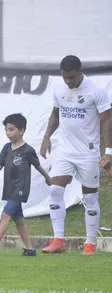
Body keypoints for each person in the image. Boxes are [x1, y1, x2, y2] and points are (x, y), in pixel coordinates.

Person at [40, 55, 112, 255]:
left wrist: (108, 153)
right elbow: (55, 113)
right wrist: (46, 137)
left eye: (71, 77)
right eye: (65, 77)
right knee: (55, 191)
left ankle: (90, 243)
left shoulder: (95, 91)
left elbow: (106, 121)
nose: (68, 81)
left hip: (88, 152)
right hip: (65, 150)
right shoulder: (59, 88)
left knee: (90, 197)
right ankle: (58, 240)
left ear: (80, 72)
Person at [0, 113, 52, 257]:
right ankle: (30, 250)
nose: (8, 133)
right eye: (6, 130)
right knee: (19, 221)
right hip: (9, 189)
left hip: (20, 189)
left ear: (21, 131)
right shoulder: (6, 148)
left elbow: (38, 167)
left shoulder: (28, 150)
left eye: (11, 129)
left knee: (5, 215)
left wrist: (48, 179)